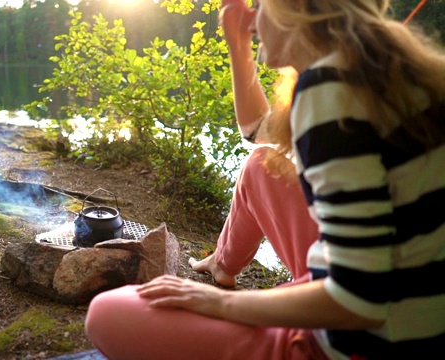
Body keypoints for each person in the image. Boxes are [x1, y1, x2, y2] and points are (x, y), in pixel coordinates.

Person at [84, 0, 445, 359]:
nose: (253, 22)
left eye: (259, 5)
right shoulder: (386, 67)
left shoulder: (331, 91)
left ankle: (243, 295)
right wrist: (237, 43)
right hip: (415, 309)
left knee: (108, 312)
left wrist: (221, 303)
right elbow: (258, 131)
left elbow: (359, 301)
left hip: (363, 342)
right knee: (262, 163)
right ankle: (223, 265)